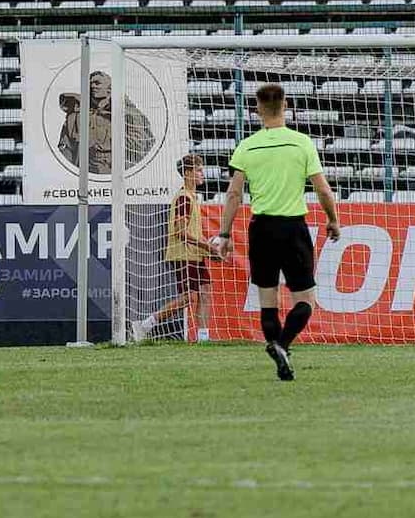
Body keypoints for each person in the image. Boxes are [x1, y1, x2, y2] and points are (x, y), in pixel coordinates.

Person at [213, 83, 342, 382]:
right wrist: (333, 220)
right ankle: (283, 345)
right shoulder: (301, 143)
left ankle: (278, 352)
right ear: (286, 106)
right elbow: (322, 188)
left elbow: (234, 195)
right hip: (293, 227)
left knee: (267, 301)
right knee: (305, 301)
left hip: (262, 229)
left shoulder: (248, 146)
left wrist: (225, 233)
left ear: (257, 109)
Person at [134, 154, 219, 344]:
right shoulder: (183, 198)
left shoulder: (192, 197)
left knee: (205, 291)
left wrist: (208, 248)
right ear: (188, 173)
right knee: (188, 298)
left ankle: (204, 338)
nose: (202, 174)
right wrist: (207, 246)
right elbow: (181, 232)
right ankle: (146, 324)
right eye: (198, 170)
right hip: (184, 254)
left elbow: (191, 230)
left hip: (195, 254)